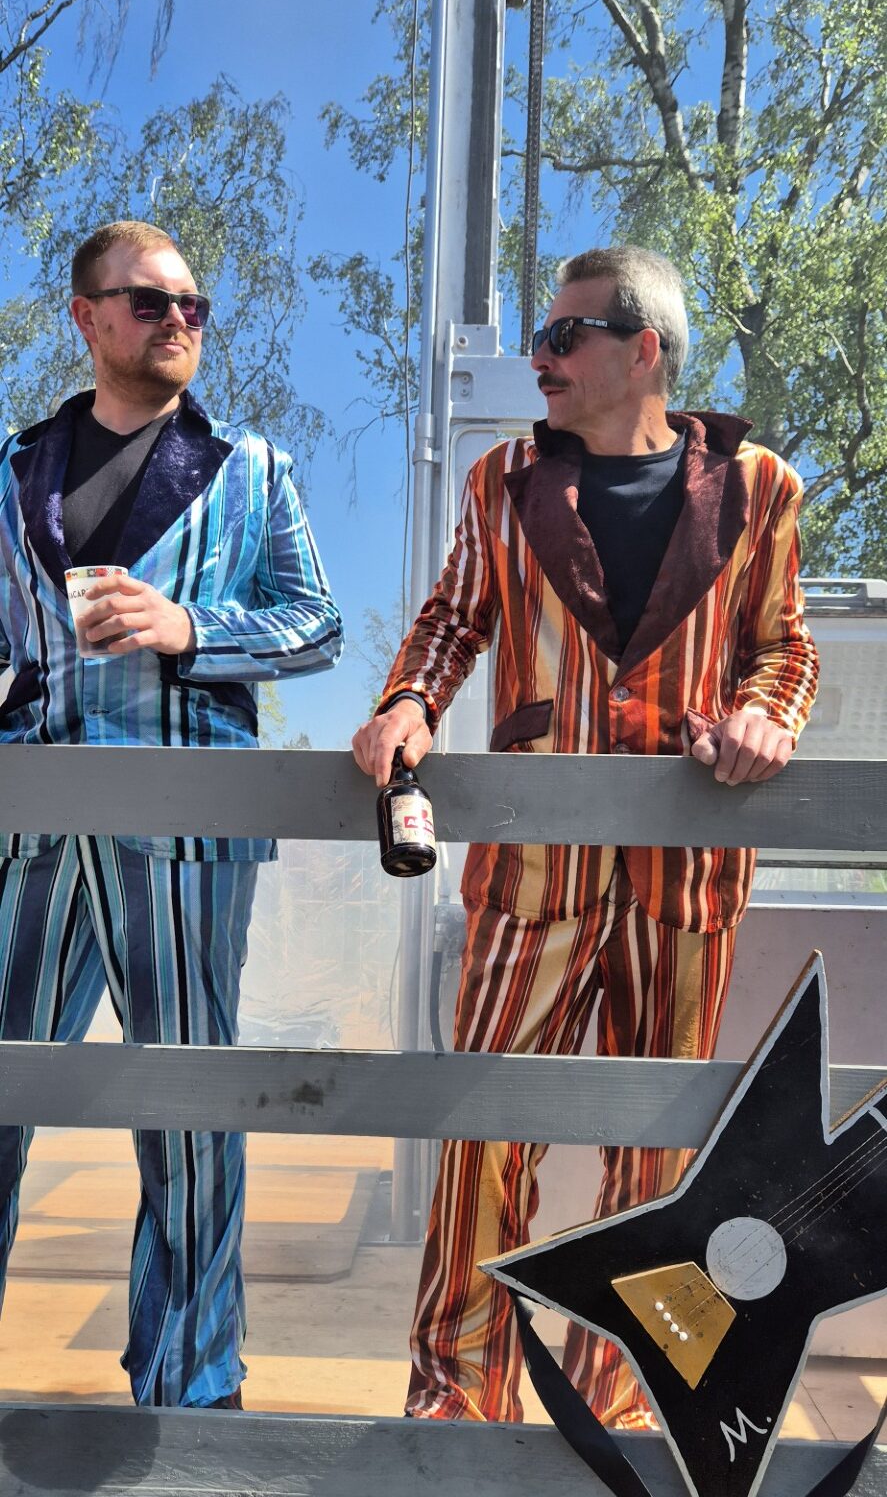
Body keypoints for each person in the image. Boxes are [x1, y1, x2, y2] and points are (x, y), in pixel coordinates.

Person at [352, 244, 819, 1428]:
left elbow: (782, 646)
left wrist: (764, 715)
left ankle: (628, 1402)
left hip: (685, 874)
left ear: (641, 349)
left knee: (658, 1155)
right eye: (537, 338)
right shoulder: (504, 479)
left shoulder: (758, 486)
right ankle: (456, 1399)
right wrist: (407, 703)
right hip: (530, 870)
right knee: (482, 1137)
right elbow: (452, 619)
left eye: (562, 337)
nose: (539, 359)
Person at [0, 219, 342, 1408]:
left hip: (186, 829)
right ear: (87, 316)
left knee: (190, 1120)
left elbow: (315, 622)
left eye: (193, 304)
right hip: (33, 828)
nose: (179, 320)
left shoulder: (251, 468)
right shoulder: (12, 468)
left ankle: (192, 1391)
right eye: (150, 302)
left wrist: (193, 628)